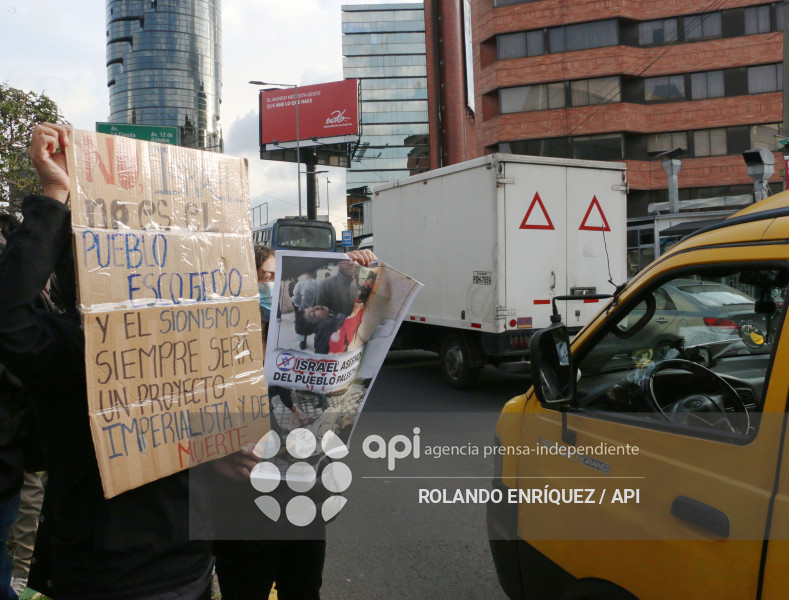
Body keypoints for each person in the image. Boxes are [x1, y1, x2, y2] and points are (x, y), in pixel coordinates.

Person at [0, 123, 214, 599]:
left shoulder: (74, 345)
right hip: (148, 571)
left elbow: (9, 316)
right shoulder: (83, 347)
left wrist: (54, 195)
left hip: (152, 568)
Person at [212, 247, 374, 600]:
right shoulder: (221, 348)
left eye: (275, 277)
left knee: (303, 589)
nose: (270, 285)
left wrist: (355, 269)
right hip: (243, 513)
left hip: (304, 503)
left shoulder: (302, 342)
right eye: (263, 277)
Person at [291, 270, 318, 350]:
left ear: (307, 274)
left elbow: (295, 300)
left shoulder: (301, 284)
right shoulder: (320, 285)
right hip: (316, 311)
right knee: (316, 328)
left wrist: (300, 306)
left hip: (303, 310)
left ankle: (303, 343)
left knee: (303, 327)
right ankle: (317, 344)